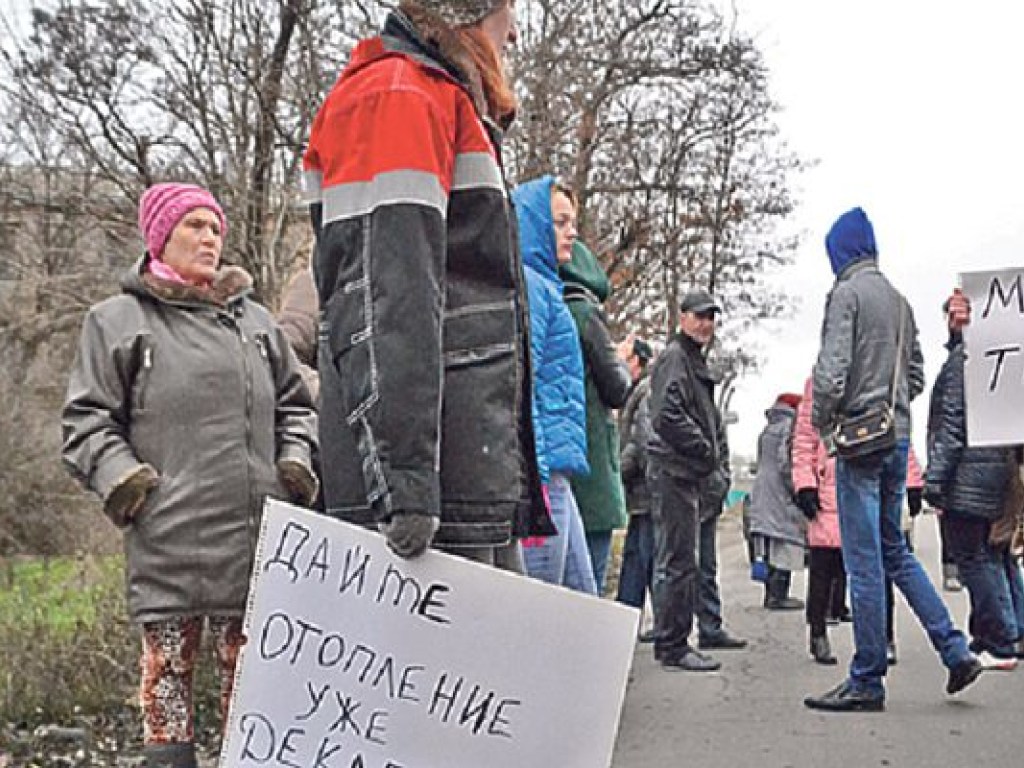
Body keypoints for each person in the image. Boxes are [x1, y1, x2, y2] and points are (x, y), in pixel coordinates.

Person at [61, 183, 319, 768]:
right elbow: (85, 421)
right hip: (168, 542)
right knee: (168, 700)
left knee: (253, 707)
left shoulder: (254, 320)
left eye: (216, 228)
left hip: (255, 543)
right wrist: (130, 487)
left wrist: (295, 463)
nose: (210, 237)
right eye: (194, 226)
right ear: (160, 235)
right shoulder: (117, 321)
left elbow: (297, 405)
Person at [302, 0, 553, 568]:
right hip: (431, 489)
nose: (512, 34)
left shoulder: (432, 95)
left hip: (456, 476)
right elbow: (386, 294)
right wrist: (404, 480)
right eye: (506, 13)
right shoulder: (399, 96)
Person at [804, 207, 981, 712]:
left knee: (862, 563)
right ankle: (955, 649)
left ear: (839, 252)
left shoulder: (846, 295)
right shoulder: (899, 301)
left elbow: (832, 371)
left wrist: (825, 422)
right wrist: (894, 405)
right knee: (895, 552)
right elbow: (918, 373)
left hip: (859, 444)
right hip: (896, 439)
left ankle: (866, 678)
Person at [925, 300, 1021, 664]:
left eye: (955, 313)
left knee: (973, 558)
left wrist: (935, 480)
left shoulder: (962, 363)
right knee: (994, 555)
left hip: (966, 476)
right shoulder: (1002, 364)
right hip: (997, 472)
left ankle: (999, 642)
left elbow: (951, 427)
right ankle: (1007, 634)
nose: (950, 319)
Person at [513, 176, 595, 594]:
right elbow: (521, 383)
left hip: (555, 474)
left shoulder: (545, 286)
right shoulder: (531, 286)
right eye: (561, 222)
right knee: (545, 609)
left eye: (573, 223)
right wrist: (536, 479)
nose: (572, 233)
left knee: (583, 606)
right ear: (534, 224)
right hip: (543, 480)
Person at [647, 289, 731, 671]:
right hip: (674, 471)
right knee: (678, 562)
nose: (705, 323)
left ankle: (675, 640)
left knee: (683, 560)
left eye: (711, 317)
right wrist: (704, 449)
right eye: (699, 316)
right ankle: (672, 644)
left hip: (684, 473)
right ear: (682, 318)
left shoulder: (690, 361)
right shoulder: (675, 359)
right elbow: (666, 415)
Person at [560, 240, 633, 591]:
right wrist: (622, 361)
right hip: (592, 470)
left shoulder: (544, 303)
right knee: (589, 583)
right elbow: (617, 388)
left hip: (560, 465)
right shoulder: (587, 315)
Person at [749, 393, 806, 612]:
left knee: (769, 543)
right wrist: (797, 488)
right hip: (780, 492)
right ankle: (778, 595)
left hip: (762, 491)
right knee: (785, 540)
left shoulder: (767, 430)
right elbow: (785, 463)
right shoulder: (790, 427)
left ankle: (770, 594)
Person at [617, 337, 657, 621]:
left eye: (626, 358)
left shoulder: (644, 392)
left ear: (637, 362)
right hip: (643, 491)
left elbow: (640, 441)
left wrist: (617, 470)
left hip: (646, 490)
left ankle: (632, 619)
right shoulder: (638, 391)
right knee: (637, 558)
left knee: (645, 558)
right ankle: (626, 618)